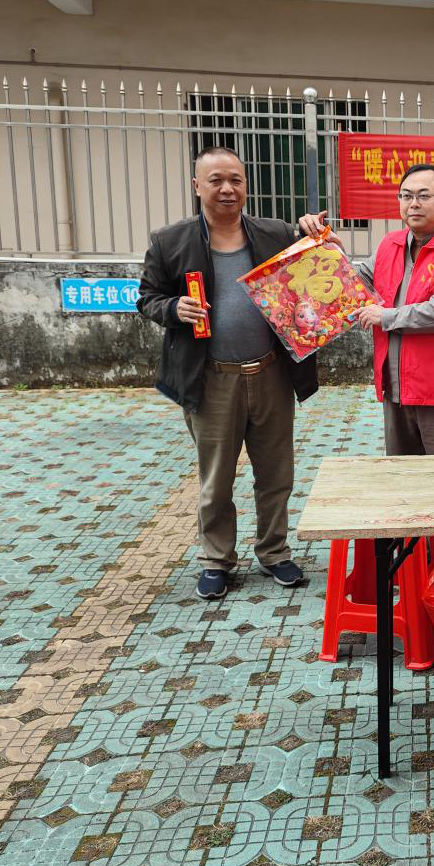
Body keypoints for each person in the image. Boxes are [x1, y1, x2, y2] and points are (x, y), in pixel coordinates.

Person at [138, 147, 317, 601]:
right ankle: (217, 559)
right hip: (212, 377)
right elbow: (147, 298)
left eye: (235, 179)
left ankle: (274, 551)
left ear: (246, 185)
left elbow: (312, 271)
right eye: (215, 180)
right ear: (197, 185)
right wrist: (172, 308)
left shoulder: (275, 233)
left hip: (272, 373)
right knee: (216, 478)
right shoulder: (171, 241)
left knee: (276, 472)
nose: (226, 189)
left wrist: (312, 232)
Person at [300, 163, 434, 456]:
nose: (413, 203)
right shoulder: (390, 245)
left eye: (424, 196)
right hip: (396, 388)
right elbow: (356, 288)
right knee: (400, 476)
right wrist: (333, 253)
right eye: (406, 195)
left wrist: (385, 316)